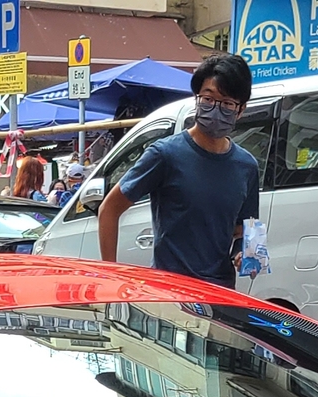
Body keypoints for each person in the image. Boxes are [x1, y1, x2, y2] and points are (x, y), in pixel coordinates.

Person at [97, 53, 262, 288]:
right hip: (170, 293)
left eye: (227, 104)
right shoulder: (165, 154)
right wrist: (111, 276)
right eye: (208, 99)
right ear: (196, 99)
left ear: (241, 109)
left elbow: (245, 230)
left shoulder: (247, 166)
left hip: (221, 294)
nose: (215, 109)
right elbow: (109, 209)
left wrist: (245, 253)